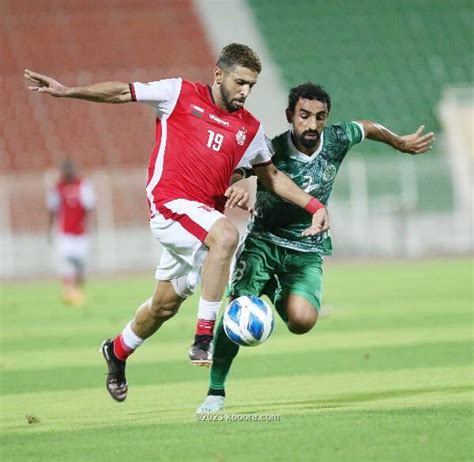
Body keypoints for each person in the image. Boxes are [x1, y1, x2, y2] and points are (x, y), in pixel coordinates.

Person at [25, 44, 330, 403]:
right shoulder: (178, 93)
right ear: (219, 75)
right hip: (169, 206)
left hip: (198, 225)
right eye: (240, 82)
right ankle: (203, 339)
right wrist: (66, 91)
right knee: (227, 236)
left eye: (252, 85)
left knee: (164, 305)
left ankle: (117, 351)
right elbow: (123, 91)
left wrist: (313, 206)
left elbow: (272, 176)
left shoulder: (249, 128)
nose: (245, 91)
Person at [196, 81, 434, 413]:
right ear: (290, 115)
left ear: (327, 117)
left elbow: (366, 127)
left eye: (319, 117)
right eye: (304, 115)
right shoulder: (271, 148)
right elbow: (235, 170)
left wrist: (398, 142)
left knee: (302, 322)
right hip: (263, 243)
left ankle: (280, 294)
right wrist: (234, 187)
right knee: (237, 311)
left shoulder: (336, 139)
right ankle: (215, 392)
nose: (312, 124)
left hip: (306, 249)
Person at [46, 158, 95, 306]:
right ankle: (69, 293)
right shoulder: (57, 187)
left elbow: (90, 206)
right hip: (65, 233)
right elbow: (52, 210)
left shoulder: (83, 185)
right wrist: (49, 230)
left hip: (81, 233)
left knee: (80, 266)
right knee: (66, 265)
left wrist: (91, 226)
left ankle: (78, 292)